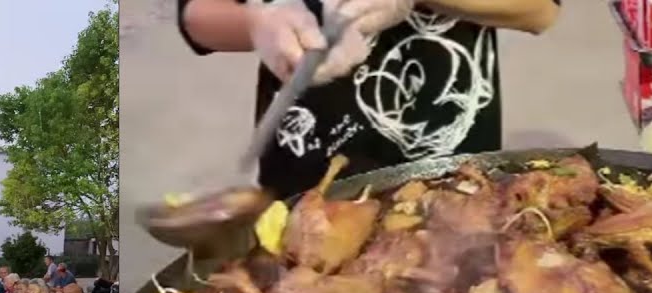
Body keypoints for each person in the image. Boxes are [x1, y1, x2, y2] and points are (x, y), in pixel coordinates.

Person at [175, 0, 559, 199]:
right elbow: (196, 16)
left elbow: (539, 11)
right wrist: (258, 25)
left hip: (452, 166)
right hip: (310, 173)